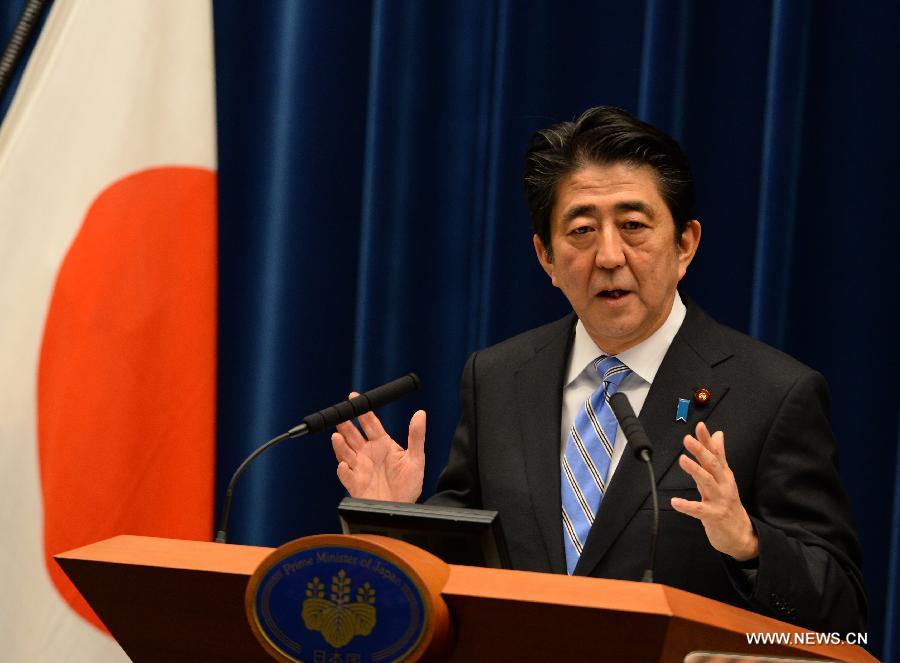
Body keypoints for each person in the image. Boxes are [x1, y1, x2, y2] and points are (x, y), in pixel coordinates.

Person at [330, 106, 866, 634]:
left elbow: (842, 612)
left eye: (633, 225)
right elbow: (471, 563)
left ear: (685, 245)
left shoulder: (772, 393)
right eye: (582, 230)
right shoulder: (498, 377)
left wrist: (748, 544)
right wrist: (394, 522)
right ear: (546, 257)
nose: (609, 255)